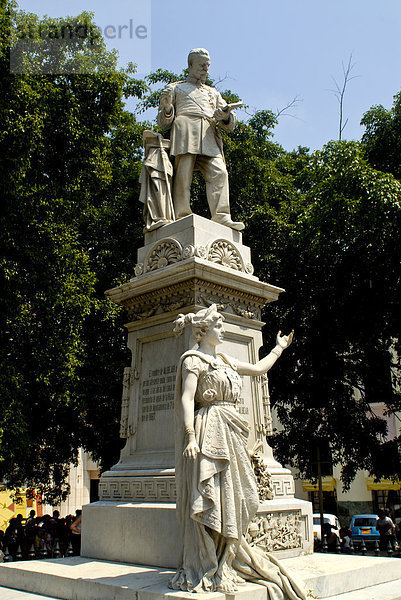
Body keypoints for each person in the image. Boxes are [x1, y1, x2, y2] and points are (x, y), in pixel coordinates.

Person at [169, 304, 305, 599]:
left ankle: (227, 555)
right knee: (213, 494)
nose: (224, 329)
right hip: (208, 431)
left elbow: (257, 369)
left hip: (231, 431)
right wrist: (191, 437)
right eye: (219, 325)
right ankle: (213, 560)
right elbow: (186, 399)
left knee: (244, 493)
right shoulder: (193, 360)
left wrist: (279, 348)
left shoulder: (225, 359)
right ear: (204, 330)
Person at [158, 48, 244, 231]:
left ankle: (221, 215)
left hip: (208, 131)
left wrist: (225, 116)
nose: (206, 70)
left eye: (207, 66)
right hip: (185, 128)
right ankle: (182, 212)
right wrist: (166, 108)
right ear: (190, 65)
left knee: (219, 172)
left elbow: (230, 123)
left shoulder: (213, 93)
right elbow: (164, 123)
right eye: (202, 66)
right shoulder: (175, 88)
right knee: (184, 173)